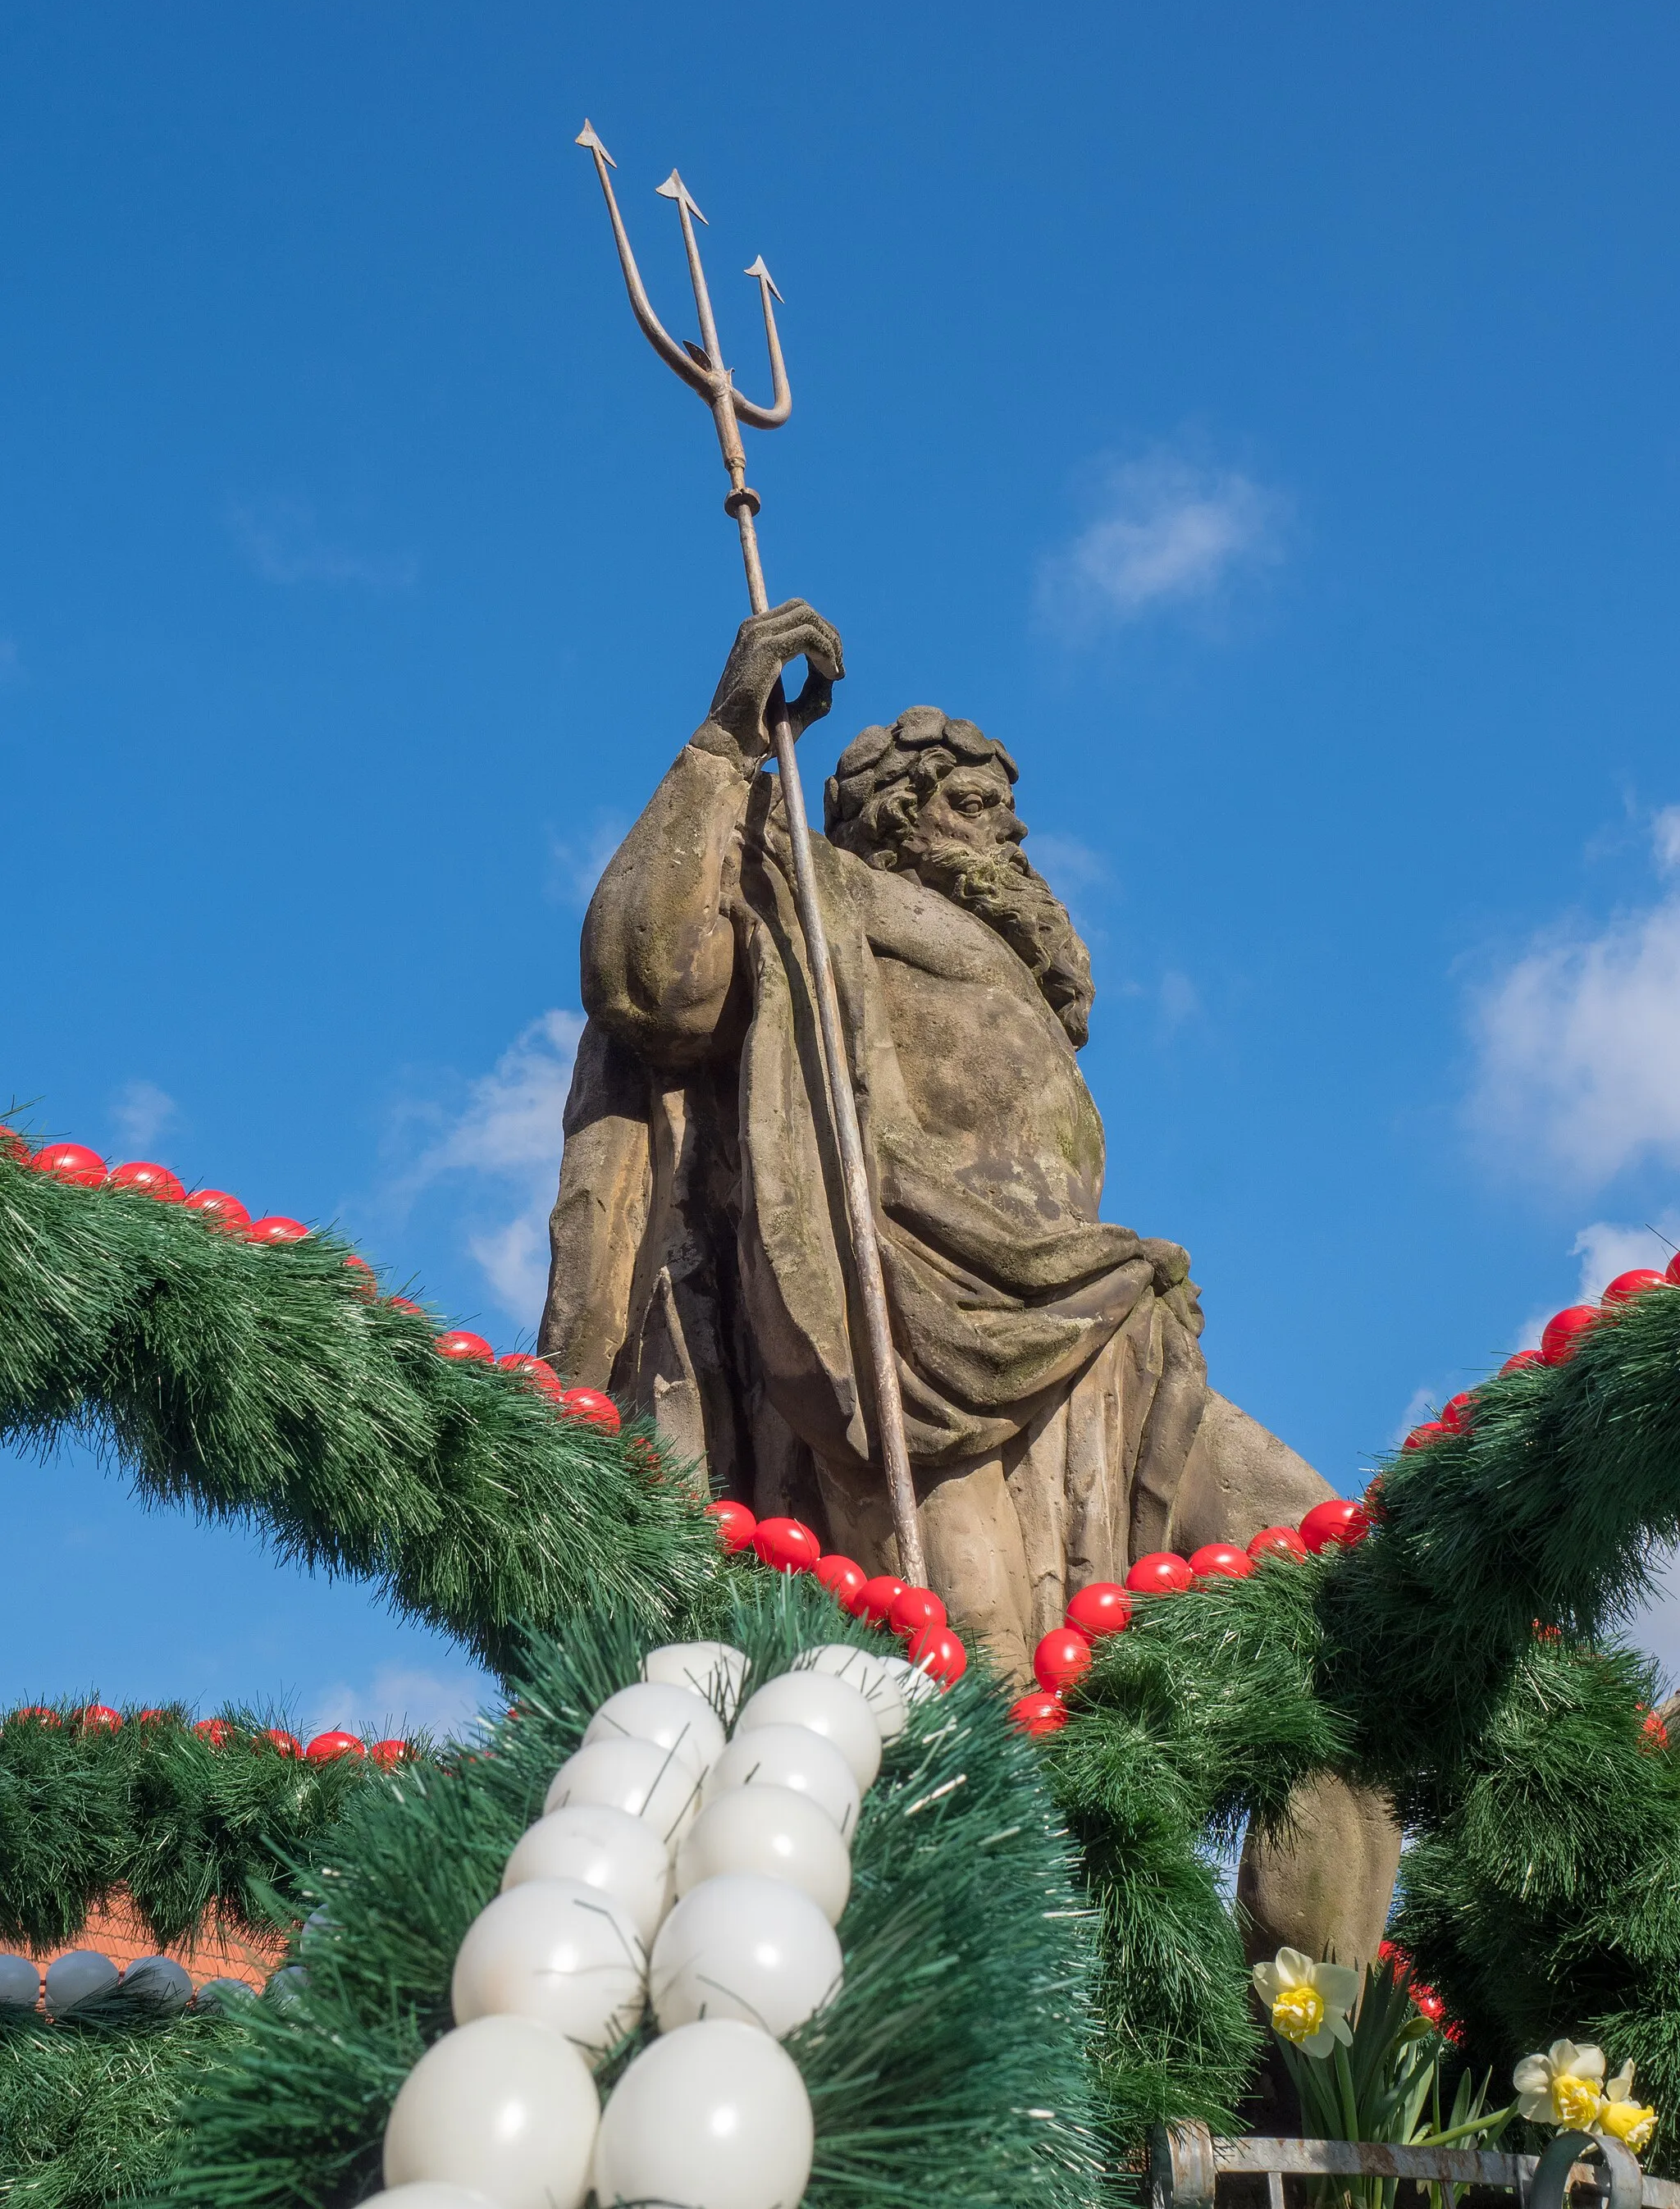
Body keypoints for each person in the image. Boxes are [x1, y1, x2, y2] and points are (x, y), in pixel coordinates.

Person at [541, 600, 1398, 1965]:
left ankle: (1306, 2040)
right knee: (975, 1728)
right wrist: (722, 746)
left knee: (1344, 1606)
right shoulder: (819, 894)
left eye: (1006, 811)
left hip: (1100, 1335)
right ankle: (994, 2083)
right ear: (893, 819)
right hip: (908, 1366)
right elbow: (648, 979)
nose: (1006, 836)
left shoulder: (1011, 974)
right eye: (972, 805)